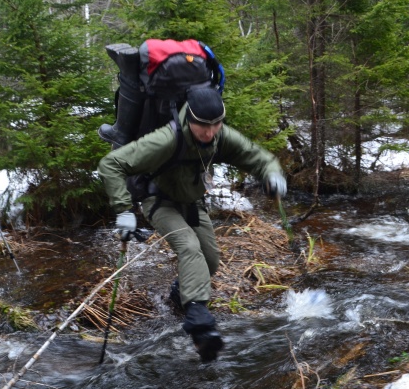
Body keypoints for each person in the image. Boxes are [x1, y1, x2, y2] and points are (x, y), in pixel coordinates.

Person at [98, 87, 287, 362]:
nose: (210, 133)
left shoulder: (220, 136)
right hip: (159, 202)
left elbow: (258, 157)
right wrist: (124, 210)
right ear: (190, 119)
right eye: (203, 126)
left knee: (209, 261)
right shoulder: (165, 139)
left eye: (216, 125)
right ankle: (199, 321)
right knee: (189, 247)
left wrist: (272, 175)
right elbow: (111, 164)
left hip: (193, 202)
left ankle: (179, 295)